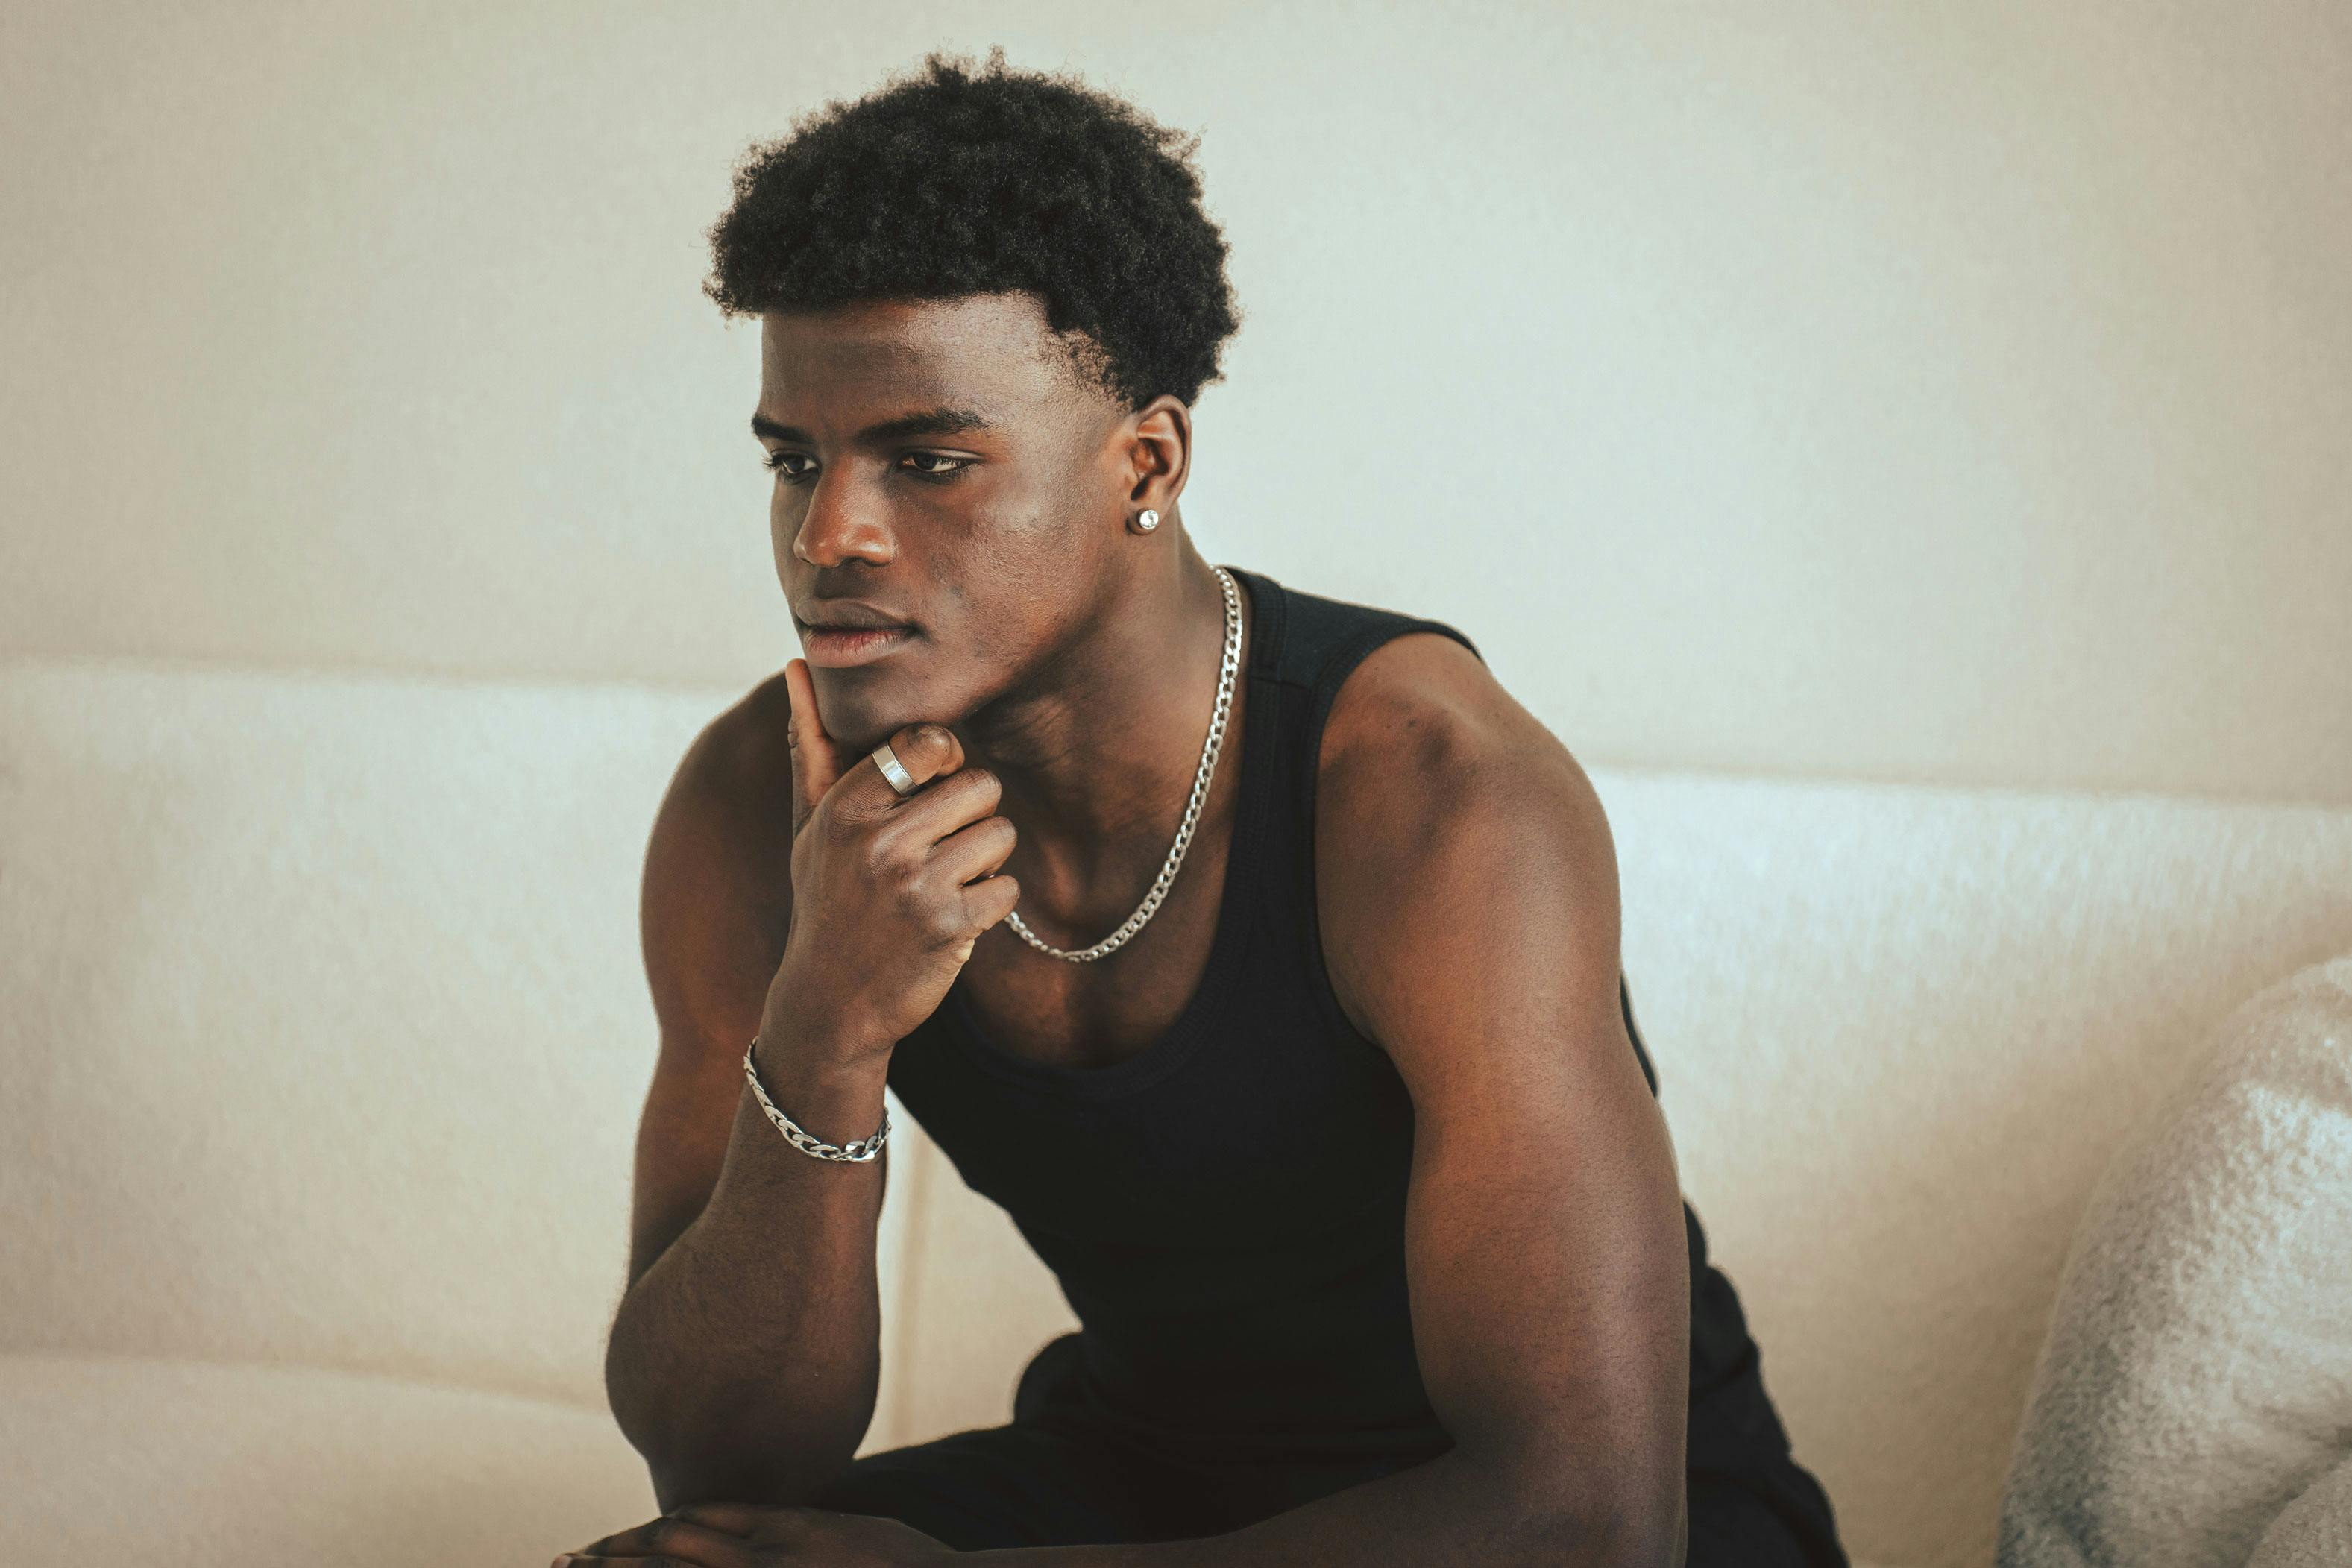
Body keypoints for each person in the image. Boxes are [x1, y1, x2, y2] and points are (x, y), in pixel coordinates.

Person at [575, 49, 1847, 1568]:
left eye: (926, 461)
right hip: (1157, 1486)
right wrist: (826, 1025)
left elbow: (1584, 1516)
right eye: (797, 460)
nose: (830, 533)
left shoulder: (1434, 795)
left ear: (1147, 461)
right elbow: (718, 1453)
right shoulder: (757, 806)